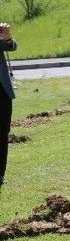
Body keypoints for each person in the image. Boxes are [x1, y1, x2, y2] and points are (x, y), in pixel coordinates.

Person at [0, 22, 16, 189]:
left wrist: (8, 36)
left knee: (3, 132)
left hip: (2, 91)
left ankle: (0, 174)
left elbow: (12, 46)